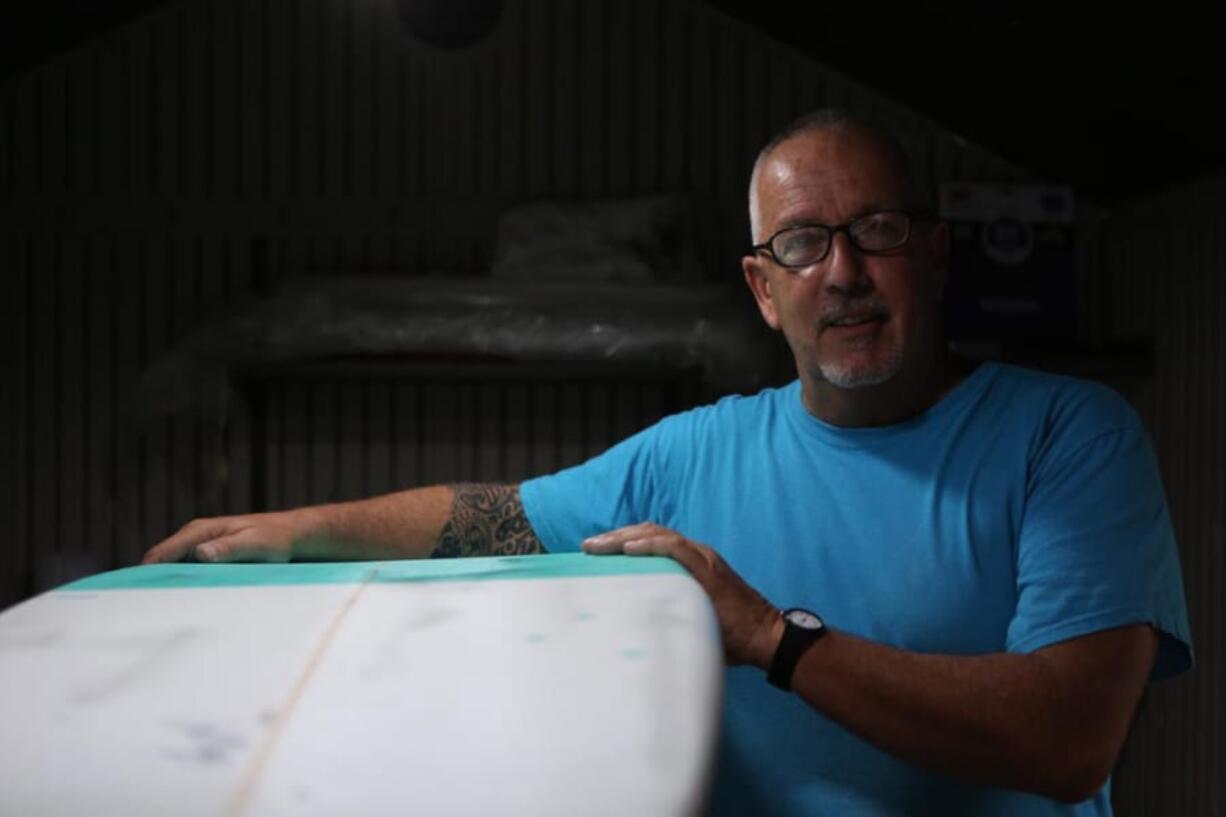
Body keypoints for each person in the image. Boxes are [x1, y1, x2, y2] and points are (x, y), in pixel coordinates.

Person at [144, 110, 1193, 816]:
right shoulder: (693, 452)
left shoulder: (1068, 436)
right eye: (801, 244)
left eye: (873, 230)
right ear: (758, 287)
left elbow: (1066, 738)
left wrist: (771, 638)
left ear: (932, 250)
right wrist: (288, 530)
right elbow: (495, 517)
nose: (842, 274)